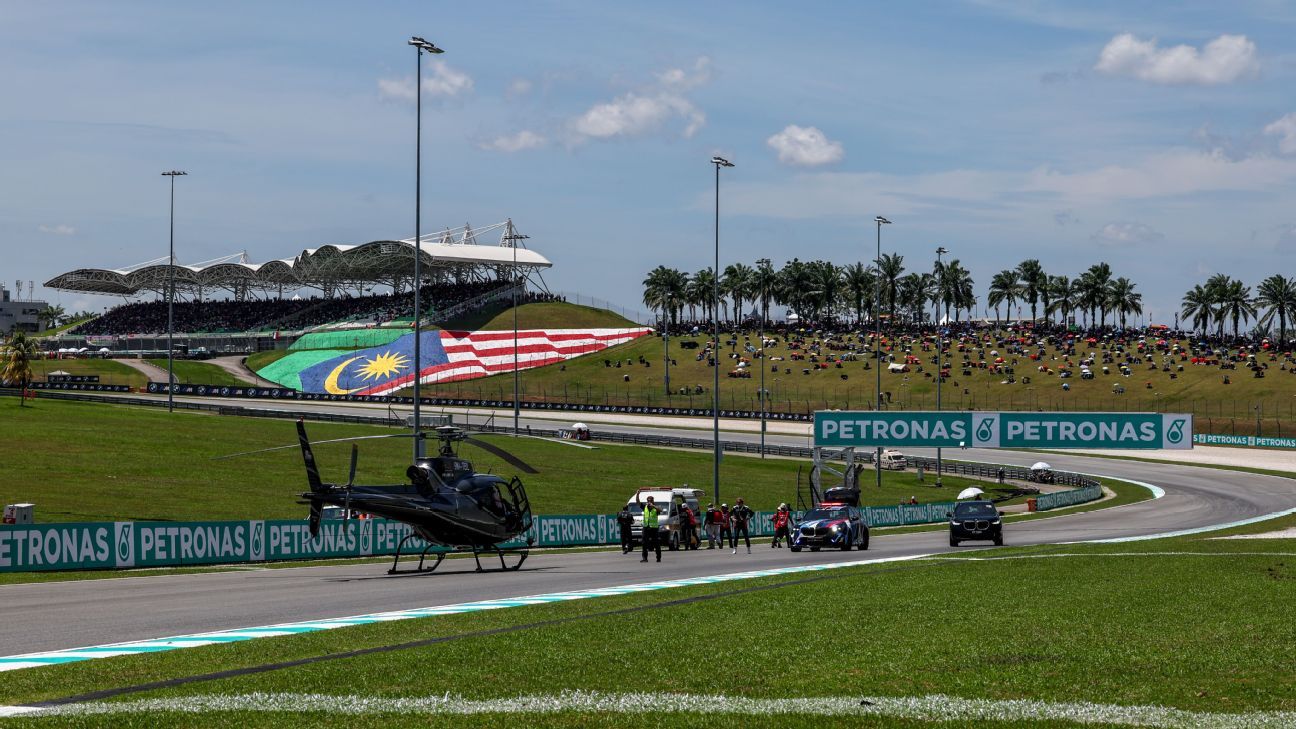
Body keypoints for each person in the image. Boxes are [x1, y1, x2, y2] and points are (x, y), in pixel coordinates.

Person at [639, 495, 662, 563]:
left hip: (654, 528)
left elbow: (660, 510)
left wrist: (653, 506)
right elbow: (638, 502)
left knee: (656, 543)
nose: (649, 502)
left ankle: (658, 558)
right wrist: (637, 495)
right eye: (648, 500)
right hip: (646, 527)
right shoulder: (645, 507)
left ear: (653, 501)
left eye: (650, 500)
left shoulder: (656, 508)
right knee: (644, 543)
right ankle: (644, 558)